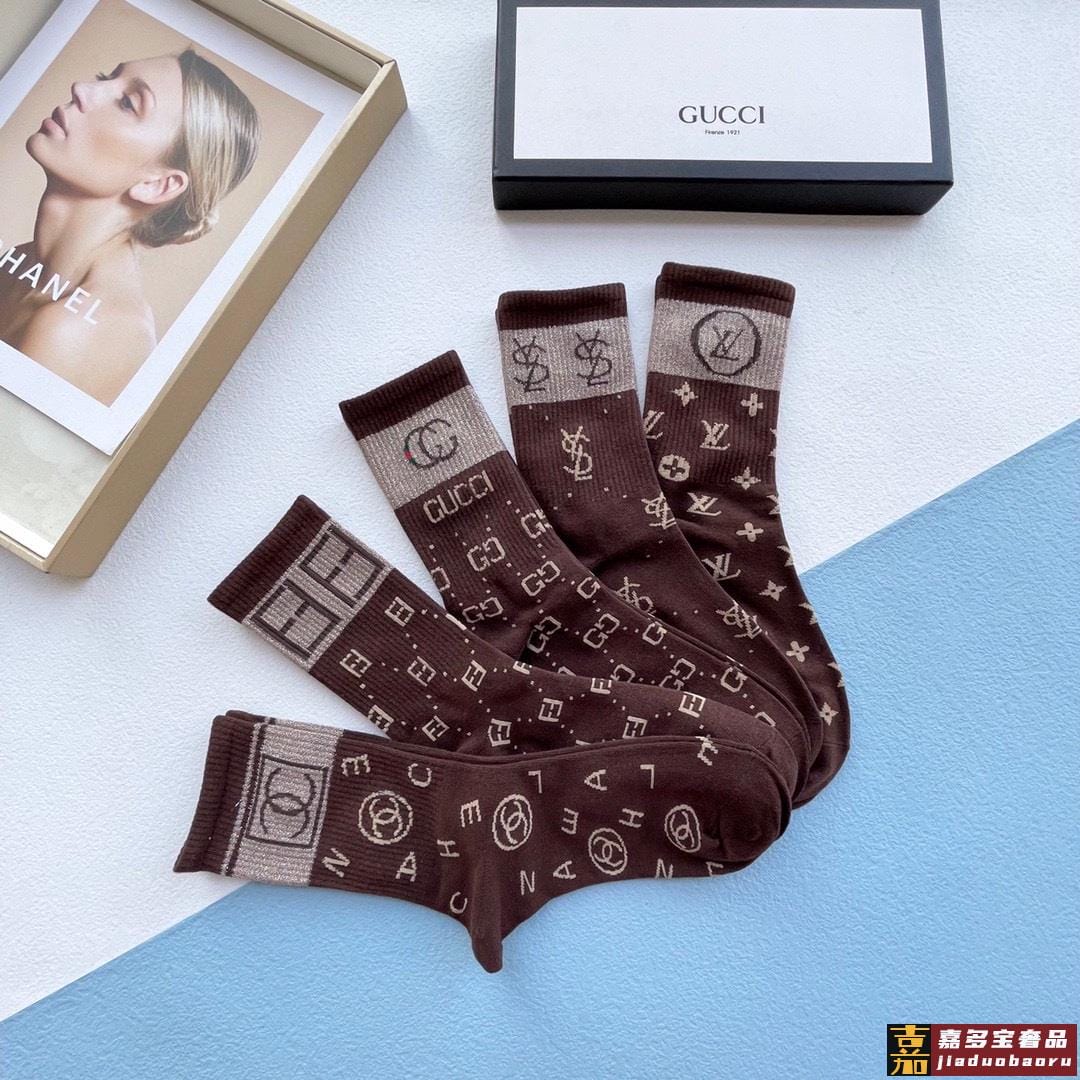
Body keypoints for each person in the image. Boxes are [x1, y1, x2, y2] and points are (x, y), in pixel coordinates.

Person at [0, 49, 260, 405]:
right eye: (106, 78)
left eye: (127, 103)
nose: (81, 89)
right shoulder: (18, 265)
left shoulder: (74, 330)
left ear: (157, 185)